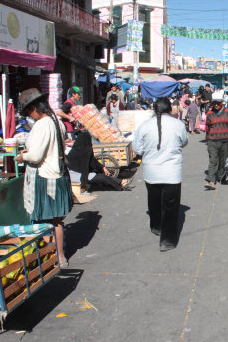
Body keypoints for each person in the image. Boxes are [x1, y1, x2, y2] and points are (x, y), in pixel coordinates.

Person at [15, 88, 73, 268]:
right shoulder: (56, 120)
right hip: (58, 173)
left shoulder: (42, 124)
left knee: (48, 221)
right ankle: (59, 257)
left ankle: (54, 257)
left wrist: (23, 156)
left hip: (45, 176)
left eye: (28, 112)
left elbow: (37, 155)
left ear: (34, 108)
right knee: (56, 220)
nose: (30, 116)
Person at [133, 97, 188, 252]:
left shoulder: (144, 126)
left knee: (154, 200)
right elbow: (184, 141)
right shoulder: (178, 124)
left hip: (151, 172)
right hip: (172, 173)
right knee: (170, 207)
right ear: (170, 109)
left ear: (154, 109)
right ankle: (167, 241)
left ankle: (156, 226)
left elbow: (137, 148)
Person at [66, 132, 132, 191]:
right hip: (77, 175)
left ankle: (121, 182)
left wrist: (103, 167)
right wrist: (102, 168)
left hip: (78, 173)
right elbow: (89, 165)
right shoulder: (84, 152)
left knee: (100, 175)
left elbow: (93, 162)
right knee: (102, 177)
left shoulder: (76, 151)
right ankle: (120, 184)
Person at [204, 99, 228, 189]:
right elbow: (207, 127)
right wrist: (207, 139)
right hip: (212, 141)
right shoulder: (210, 113)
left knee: (223, 161)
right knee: (213, 161)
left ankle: (222, 177)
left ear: (222, 103)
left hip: (225, 141)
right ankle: (211, 181)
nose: (216, 105)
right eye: (214, 103)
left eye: (217, 103)